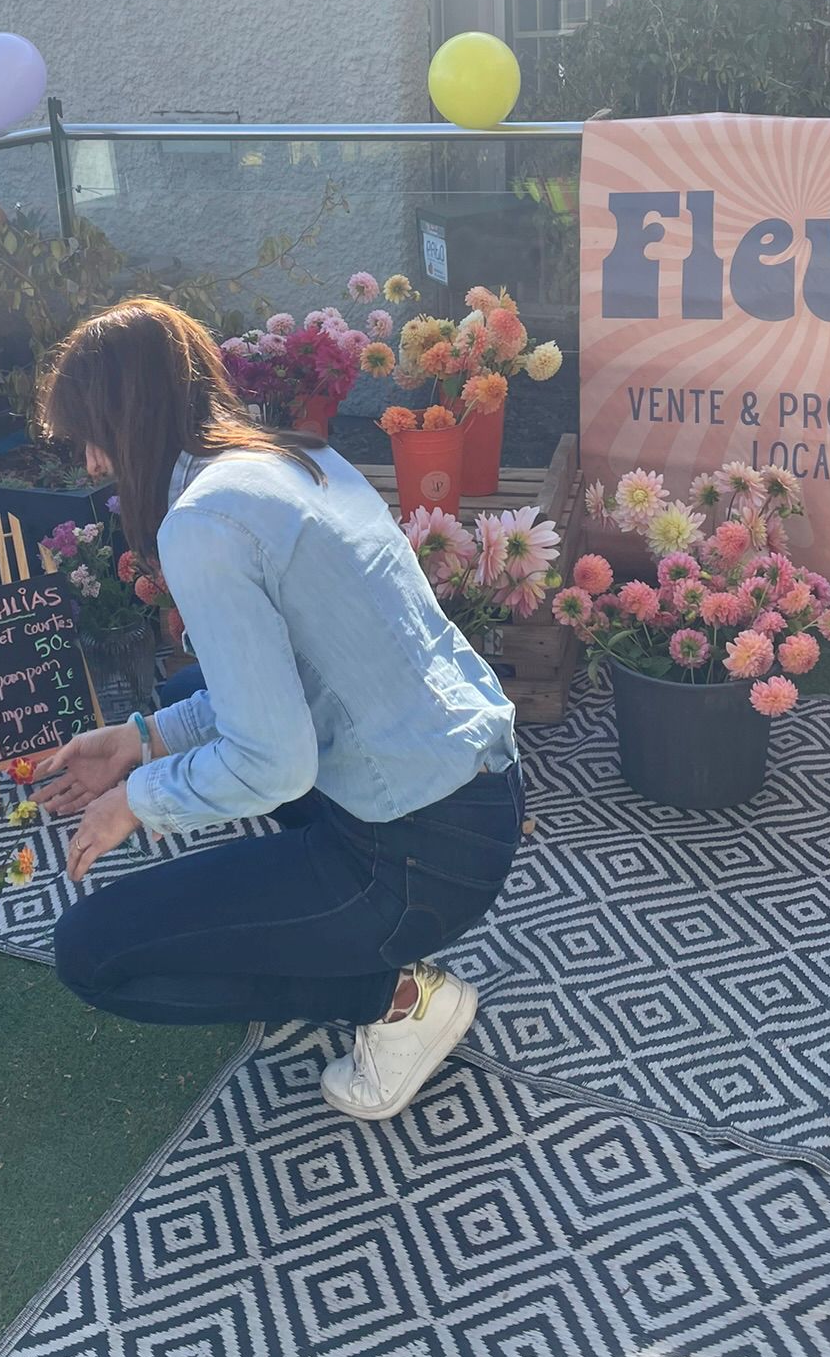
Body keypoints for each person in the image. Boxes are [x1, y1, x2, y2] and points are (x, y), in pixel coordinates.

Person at [35, 297, 523, 1121]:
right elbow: (293, 680)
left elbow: (274, 762)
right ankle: (338, 938)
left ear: (130, 420)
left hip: (414, 862)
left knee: (92, 955)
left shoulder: (202, 524)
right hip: (475, 797)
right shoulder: (297, 455)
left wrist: (136, 802)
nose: (91, 462)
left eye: (93, 436)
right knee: (184, 700)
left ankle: (394, 1000)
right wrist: (139, 741)